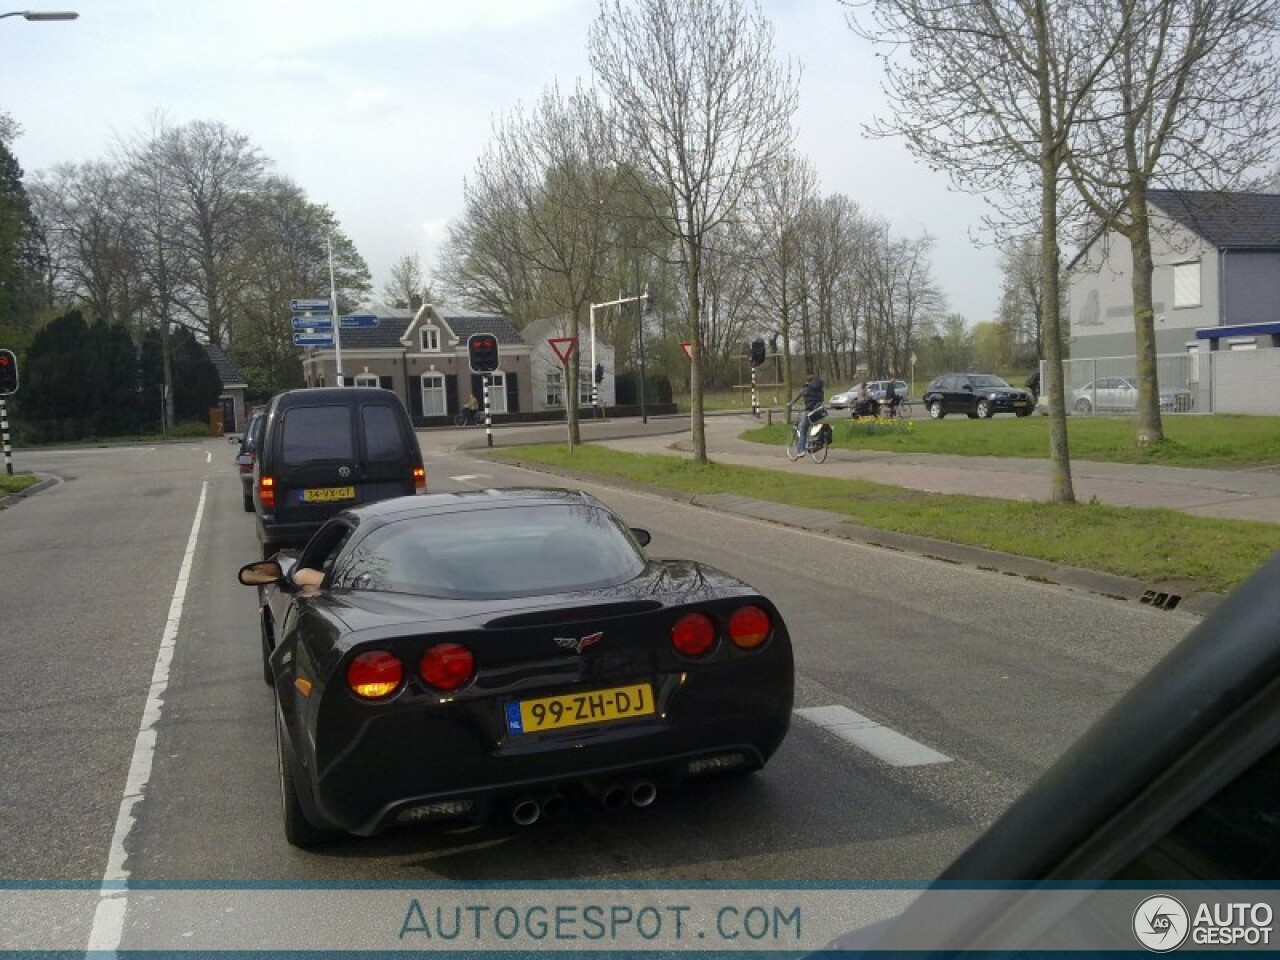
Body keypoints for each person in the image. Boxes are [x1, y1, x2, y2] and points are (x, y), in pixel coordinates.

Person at [791, 374, 825, 455]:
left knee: (803, 431)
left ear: (807, 381)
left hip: (809, 412)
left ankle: (801, 451)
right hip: (819, 412)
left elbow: (797, 397)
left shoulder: (806, 389)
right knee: (812, 426)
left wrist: (790, 403)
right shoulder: (820, 389)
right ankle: (814, 443)